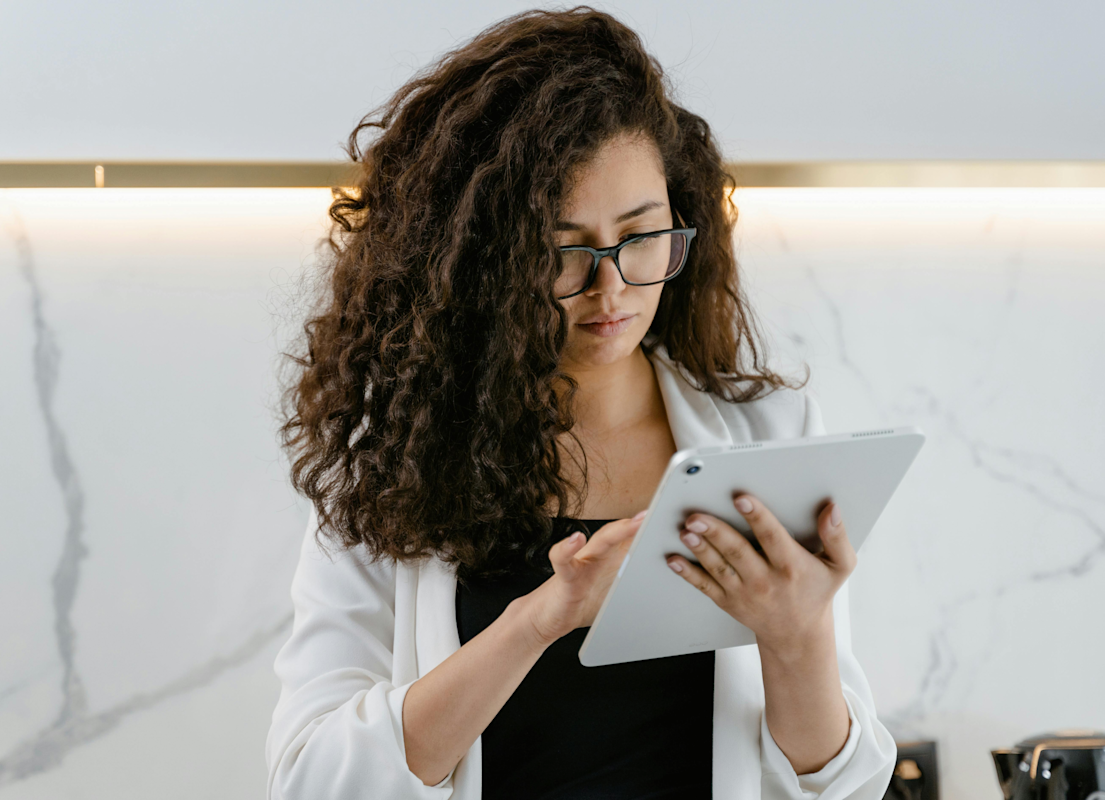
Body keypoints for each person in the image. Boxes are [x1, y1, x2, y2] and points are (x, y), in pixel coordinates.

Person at [266, 7, 896, 799]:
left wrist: (797, 634)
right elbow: (314, 780)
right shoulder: (390, 461)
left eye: (641, 236)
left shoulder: (769, 436)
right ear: (478, 261)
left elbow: (846, 787)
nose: (613, 288)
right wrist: (541, 619)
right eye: (563, 251)